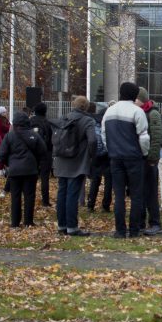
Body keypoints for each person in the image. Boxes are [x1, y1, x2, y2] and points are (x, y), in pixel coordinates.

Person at [104, 81, 150, 238]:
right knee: (136, 194)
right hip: (133, 157)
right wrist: (144, 153)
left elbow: (104, 135)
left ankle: (120, 230)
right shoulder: (137, 112)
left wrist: (111, 150)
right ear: (135, 95)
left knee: (119, 195)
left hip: (115, 157)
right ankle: (135, 229)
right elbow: (144, 137)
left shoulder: (109, 112)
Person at [53, 95, 97, 237]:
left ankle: (62, 225)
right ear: (86, 107)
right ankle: (72, 227)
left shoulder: (63, 118)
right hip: (78, 161)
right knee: (72, 194)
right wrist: (91, 155)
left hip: (61, 160)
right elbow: (92, 140)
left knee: (62, 193)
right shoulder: (88, 120)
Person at [0, 111, 47, 227]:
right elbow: (43, 151)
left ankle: (15, 222)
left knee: (15, 196)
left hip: (14, 170)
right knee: (29, 196)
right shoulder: (34, 135)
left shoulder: (9, 136)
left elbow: (1, 154)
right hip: (30, 170)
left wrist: (9, 163)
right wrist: (37, 163)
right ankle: (28, 222)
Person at [138, 88, 162, 234]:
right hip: (141, 158)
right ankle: (141, 221)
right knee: (140, 191)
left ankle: (155, 222)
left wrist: (152, 158)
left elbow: (156, 138)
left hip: (149, 160)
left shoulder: (152, 114)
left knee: (151, 192)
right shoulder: (142, 112)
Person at [87, 104, 111, 212]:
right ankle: (106, 205)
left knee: (95, 181)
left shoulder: (92, 123)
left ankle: (90, 204)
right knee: (109, 181)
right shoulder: (109, 123)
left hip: (95, 154)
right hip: (107, 155)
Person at [30, 103, 54, 209]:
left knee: (32, 177)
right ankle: (45, 201)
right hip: (46, 152)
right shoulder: (47, 122)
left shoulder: (30, 121)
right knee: (45, 178)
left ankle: (31, 198)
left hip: (32, 152)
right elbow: (51, 138)